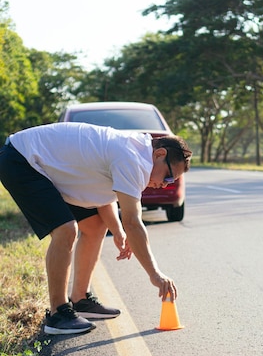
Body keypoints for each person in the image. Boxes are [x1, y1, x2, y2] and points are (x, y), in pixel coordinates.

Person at [0, 122, 192, 335]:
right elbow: (134, 222)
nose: (165, 184)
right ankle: (57, 314)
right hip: (22, 160)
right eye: (167, 176)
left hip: (38, 163)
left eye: (171, 182)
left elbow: (102, 193)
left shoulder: (136, 151)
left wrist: (117, 231)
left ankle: (80, 299)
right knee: (66, 229)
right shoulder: (134, 159)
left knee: (95, 225)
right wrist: (155, 275)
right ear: (159, 154)